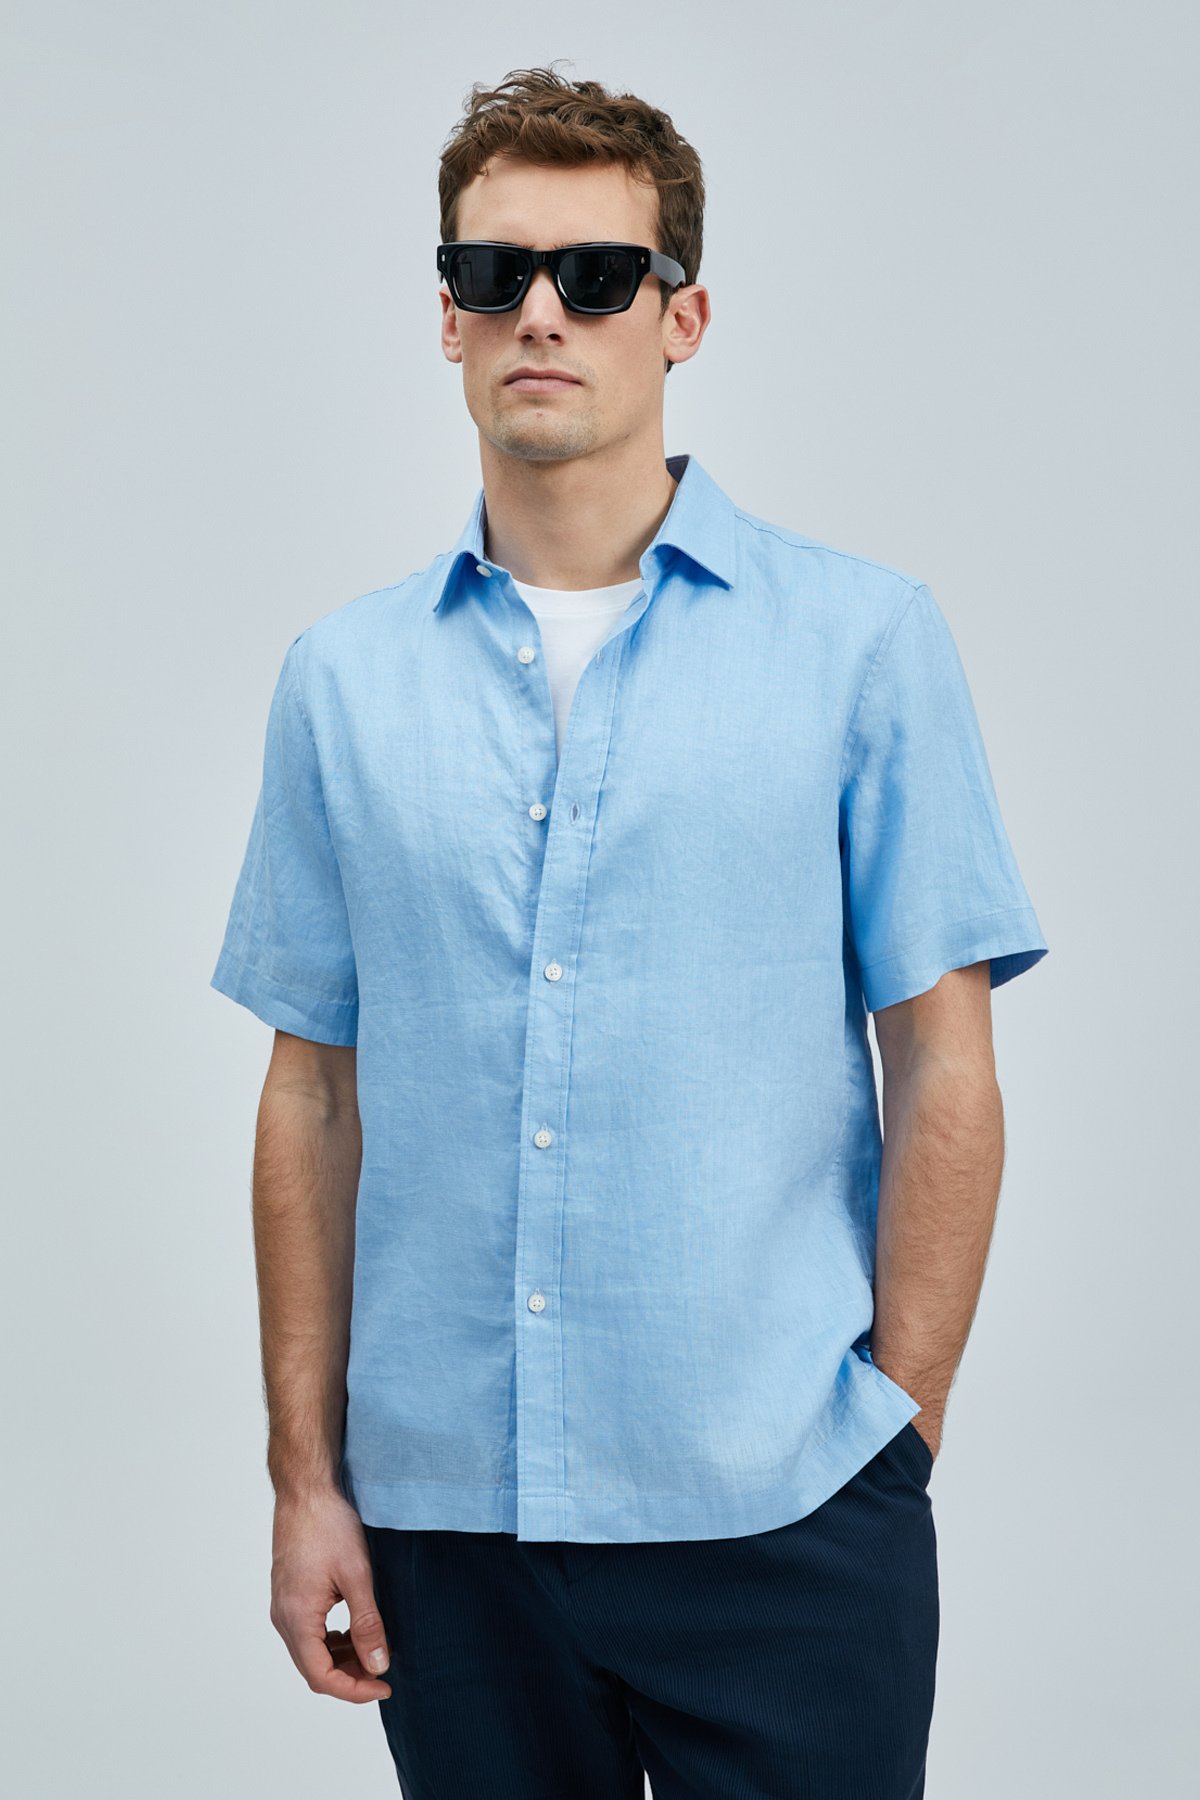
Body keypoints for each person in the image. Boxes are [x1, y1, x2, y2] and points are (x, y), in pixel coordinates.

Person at [210, 63, 1049, 1800]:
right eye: (493, 271)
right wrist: (308, 1478)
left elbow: (942, 1060)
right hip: (448, 1525)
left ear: (682, 318)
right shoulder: (341, 683)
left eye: (596, 276)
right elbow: (311, 1095)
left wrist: (894, 1431)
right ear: (446, 315)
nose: (541, 312)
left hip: (782, 1499)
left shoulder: (861, 645)